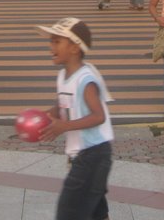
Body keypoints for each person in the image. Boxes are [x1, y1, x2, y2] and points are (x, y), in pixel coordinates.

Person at [34, 17, 114, 220]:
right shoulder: (63, 75)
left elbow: (99, 116)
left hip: (93, 155)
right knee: (96, 213)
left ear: (74, 48)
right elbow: (63, 104)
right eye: (51, 41)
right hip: (83, 156)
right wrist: (46, 116)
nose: (51, 45)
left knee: (68, 213)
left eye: (57, 41)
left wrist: (65, 126)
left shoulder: (86, 80)